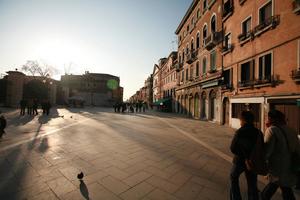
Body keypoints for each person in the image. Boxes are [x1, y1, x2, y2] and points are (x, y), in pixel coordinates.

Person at [261, 110, 299, 200]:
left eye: (267, 117)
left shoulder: (272, 130)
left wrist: (261, 163)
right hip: (290, 166)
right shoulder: (292, 130)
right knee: (286, 190)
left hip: (277, 168)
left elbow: (267, 151)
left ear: (271, 119)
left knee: (267, 193)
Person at [230, 110, 262, 200]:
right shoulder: (258, 132)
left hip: (239, 161)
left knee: (233, 177)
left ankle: (236, 197)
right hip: (253, 162)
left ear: (243, 120)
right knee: (252, 183)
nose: (240, 122)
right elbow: (261, 147)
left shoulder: (240, 132)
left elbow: (233, 148)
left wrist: (243, 156)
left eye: (240, 120)